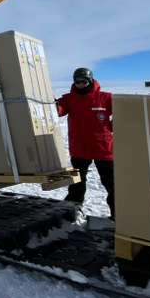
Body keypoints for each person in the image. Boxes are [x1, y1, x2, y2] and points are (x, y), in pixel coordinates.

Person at [55, 67, 115, 220]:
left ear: (90, 81)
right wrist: (52, 105)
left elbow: (123, 111)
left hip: (103, 149)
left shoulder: (106, 98)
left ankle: (118, 215)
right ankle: (72, 209)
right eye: (77, 82)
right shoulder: (69, 99)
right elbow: (58, 110)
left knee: (112, 184)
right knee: (76, 183)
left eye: (83, 81)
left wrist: (116, 123)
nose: (80, 84)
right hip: (79, 148)